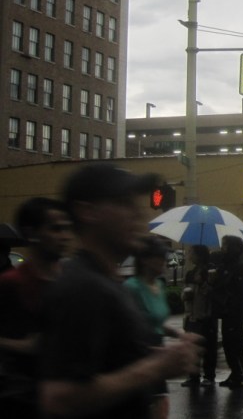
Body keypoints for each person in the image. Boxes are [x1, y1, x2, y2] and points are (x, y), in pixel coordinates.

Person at [38, 163, 200, 419]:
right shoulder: (83, 287)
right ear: (87, 212)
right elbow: (58, 398)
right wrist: (154, 368)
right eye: (124, 203)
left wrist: (161, 356)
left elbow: (110, 361)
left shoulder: (108, 282)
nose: (138, 214)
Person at [0, 198, 73, 418]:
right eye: (55, 229)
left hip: (71, 396)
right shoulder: (12, 283)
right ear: (32, 233)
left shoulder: (74, 281)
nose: (65, 236)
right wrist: (28, 345)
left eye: (67, 228)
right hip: (25, 399)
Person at [124, 235, 180, 418]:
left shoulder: (159, 285)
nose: (164, 263)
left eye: (164, 258)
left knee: (160, 404)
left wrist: (179, 334)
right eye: (159, 258)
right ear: (145, 260)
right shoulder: (132, 287)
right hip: (140, 354)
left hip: (158, 351)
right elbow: (129, 326)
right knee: (146, 407)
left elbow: (157, 322)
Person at [213, 235, 243, 389]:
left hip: (234, 311)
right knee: (227, 344)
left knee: (236, 344)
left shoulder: (239, 267)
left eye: (225, 245)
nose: (222, 248)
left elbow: (240, 292)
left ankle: (242, 375)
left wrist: (239, 312)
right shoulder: (224, 265)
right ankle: (235, 373)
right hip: (226, 310)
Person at [180, 245, 218, 388]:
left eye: (192, 253)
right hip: (191, 315)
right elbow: (184, 292)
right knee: (192, 347)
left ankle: (209, 376)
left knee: (208, 348)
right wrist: (186, 294)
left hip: (206, 316)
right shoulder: (190, 273)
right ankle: (193, 376)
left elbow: (212, 294)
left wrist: (203, 283)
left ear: (199, 255)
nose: (189, 255)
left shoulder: (211, 272)